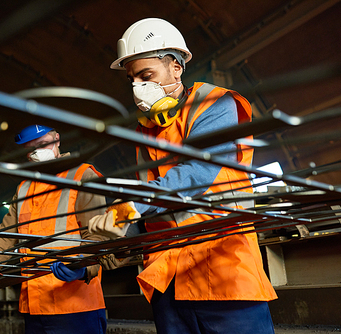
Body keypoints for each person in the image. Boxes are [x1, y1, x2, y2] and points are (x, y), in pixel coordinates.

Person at [88, 18, 278, 334]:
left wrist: (122, 213)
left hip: (223, 272)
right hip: (169, 280)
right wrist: (118, 242)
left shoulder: (213, 104)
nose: (138, 87)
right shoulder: (146, 133)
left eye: (146, 75)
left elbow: (197, 174)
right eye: (132, 79)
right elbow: (151, 201)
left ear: (176, 67)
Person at [0, 124, 108, 334]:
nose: (39, 152)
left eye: (43, 144)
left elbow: (100, 236)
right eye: (32, 148)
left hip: (76, 307)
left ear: (57, 139)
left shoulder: (83, 176)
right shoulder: (24, 189)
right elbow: (3, 240)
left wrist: (82, 267)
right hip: (35, 308)